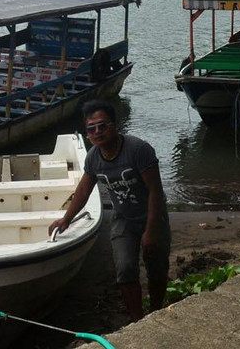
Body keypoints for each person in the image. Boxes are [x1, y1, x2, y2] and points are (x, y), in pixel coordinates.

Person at [49, 100, 170, 321]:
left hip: (152, 216)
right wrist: (66, 219)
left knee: (157, 269)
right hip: (123, 219)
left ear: (115, 125)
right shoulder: (94, 157)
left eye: (102, 125)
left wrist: (151, 231)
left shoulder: (138, 150)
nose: (97, 132)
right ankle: (137, 320)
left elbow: (155, 191)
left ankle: (156, 312)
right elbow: (84, 191)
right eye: (91, 129)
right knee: (124, 269)